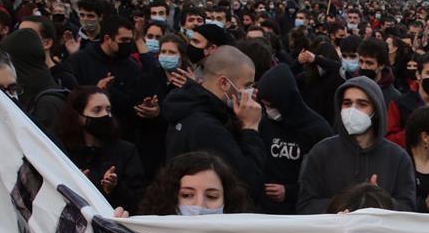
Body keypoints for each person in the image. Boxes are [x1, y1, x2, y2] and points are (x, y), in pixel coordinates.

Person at [296, 75, 415, 213]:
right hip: (335, 232)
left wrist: (379, 200)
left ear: (376, 111)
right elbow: (305, 205)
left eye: (362, 104)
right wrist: (340, 206)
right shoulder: (321, 152)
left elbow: (408, 209)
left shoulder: (398, 157)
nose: (352, 110)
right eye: (347, 103)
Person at [163, 46, 267, 203]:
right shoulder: (208, 128)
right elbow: (249, 183)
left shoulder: (188, 107)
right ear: (224, 83)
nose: (250, 91)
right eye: (247, 85)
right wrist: (250, 128)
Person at [255, 63, 333, 214]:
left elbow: (324, 178)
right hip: (264, 210)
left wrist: (290, 192)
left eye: (271, 106)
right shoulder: (265, 123)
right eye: (265, 106)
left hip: (300, 212)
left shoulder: (318, 129)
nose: (269, 111)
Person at [56, 86, 146, 214]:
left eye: (108, 109)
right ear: (78, 116)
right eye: (97, 110)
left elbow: (139, 201)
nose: (105, 115)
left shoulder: (126, 151)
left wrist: (115, 188)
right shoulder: (63, 152)